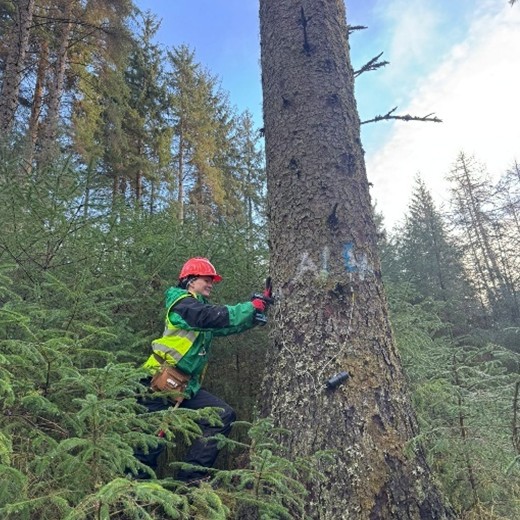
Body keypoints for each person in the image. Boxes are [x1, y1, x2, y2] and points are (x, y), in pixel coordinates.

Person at [136, 257, 269, 484]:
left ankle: (190, 478)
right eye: (206, 280)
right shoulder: (181, 304)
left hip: (184, 387)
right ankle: (129, 497)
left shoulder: (199, 311)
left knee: (221, 416)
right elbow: (209, 317)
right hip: (156, 383)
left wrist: (253, 317)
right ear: (190, 280)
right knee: (148, 448)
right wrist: (250, 307)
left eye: (212, 281)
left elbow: (222, 326)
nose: (211, 284)